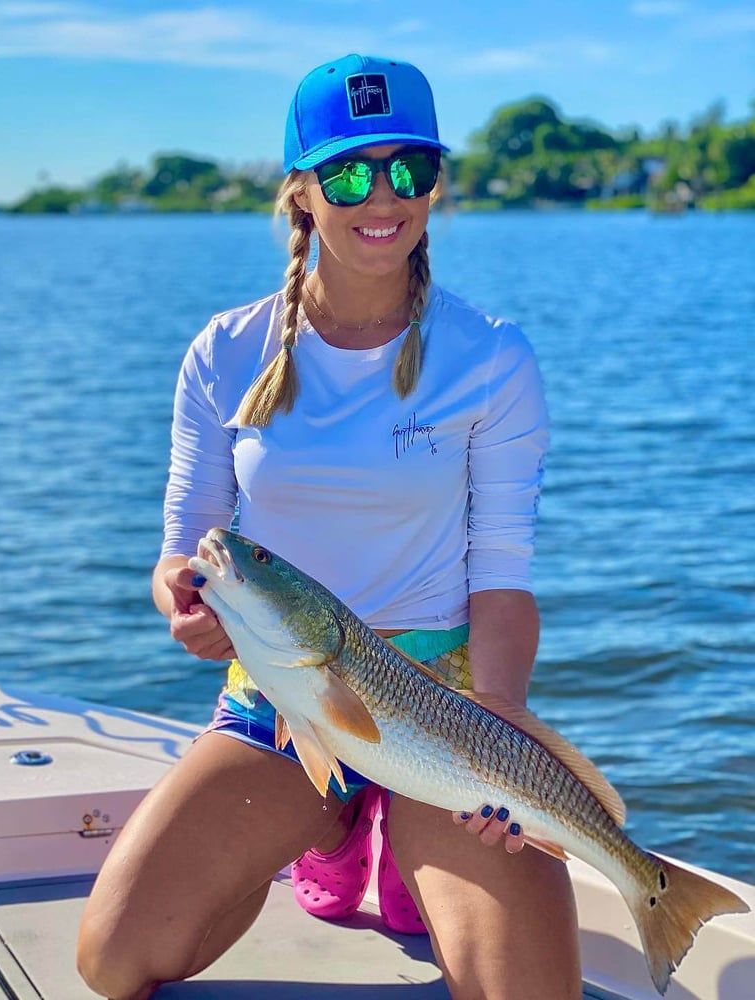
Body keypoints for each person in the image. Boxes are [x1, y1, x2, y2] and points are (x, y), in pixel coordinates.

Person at [77, 53, 581, 1000]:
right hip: (283, 696)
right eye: (348, 172)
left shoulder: (494, 357)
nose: (380, 196)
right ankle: (337, 823)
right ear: (301, 192)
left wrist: (504, 726)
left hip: (448, 706)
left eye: (409, 169)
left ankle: (404, 834)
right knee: (115, 960)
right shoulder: (224, 353)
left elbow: (504, 576)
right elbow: (184, 545)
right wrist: (184, 604)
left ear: (436, 184)